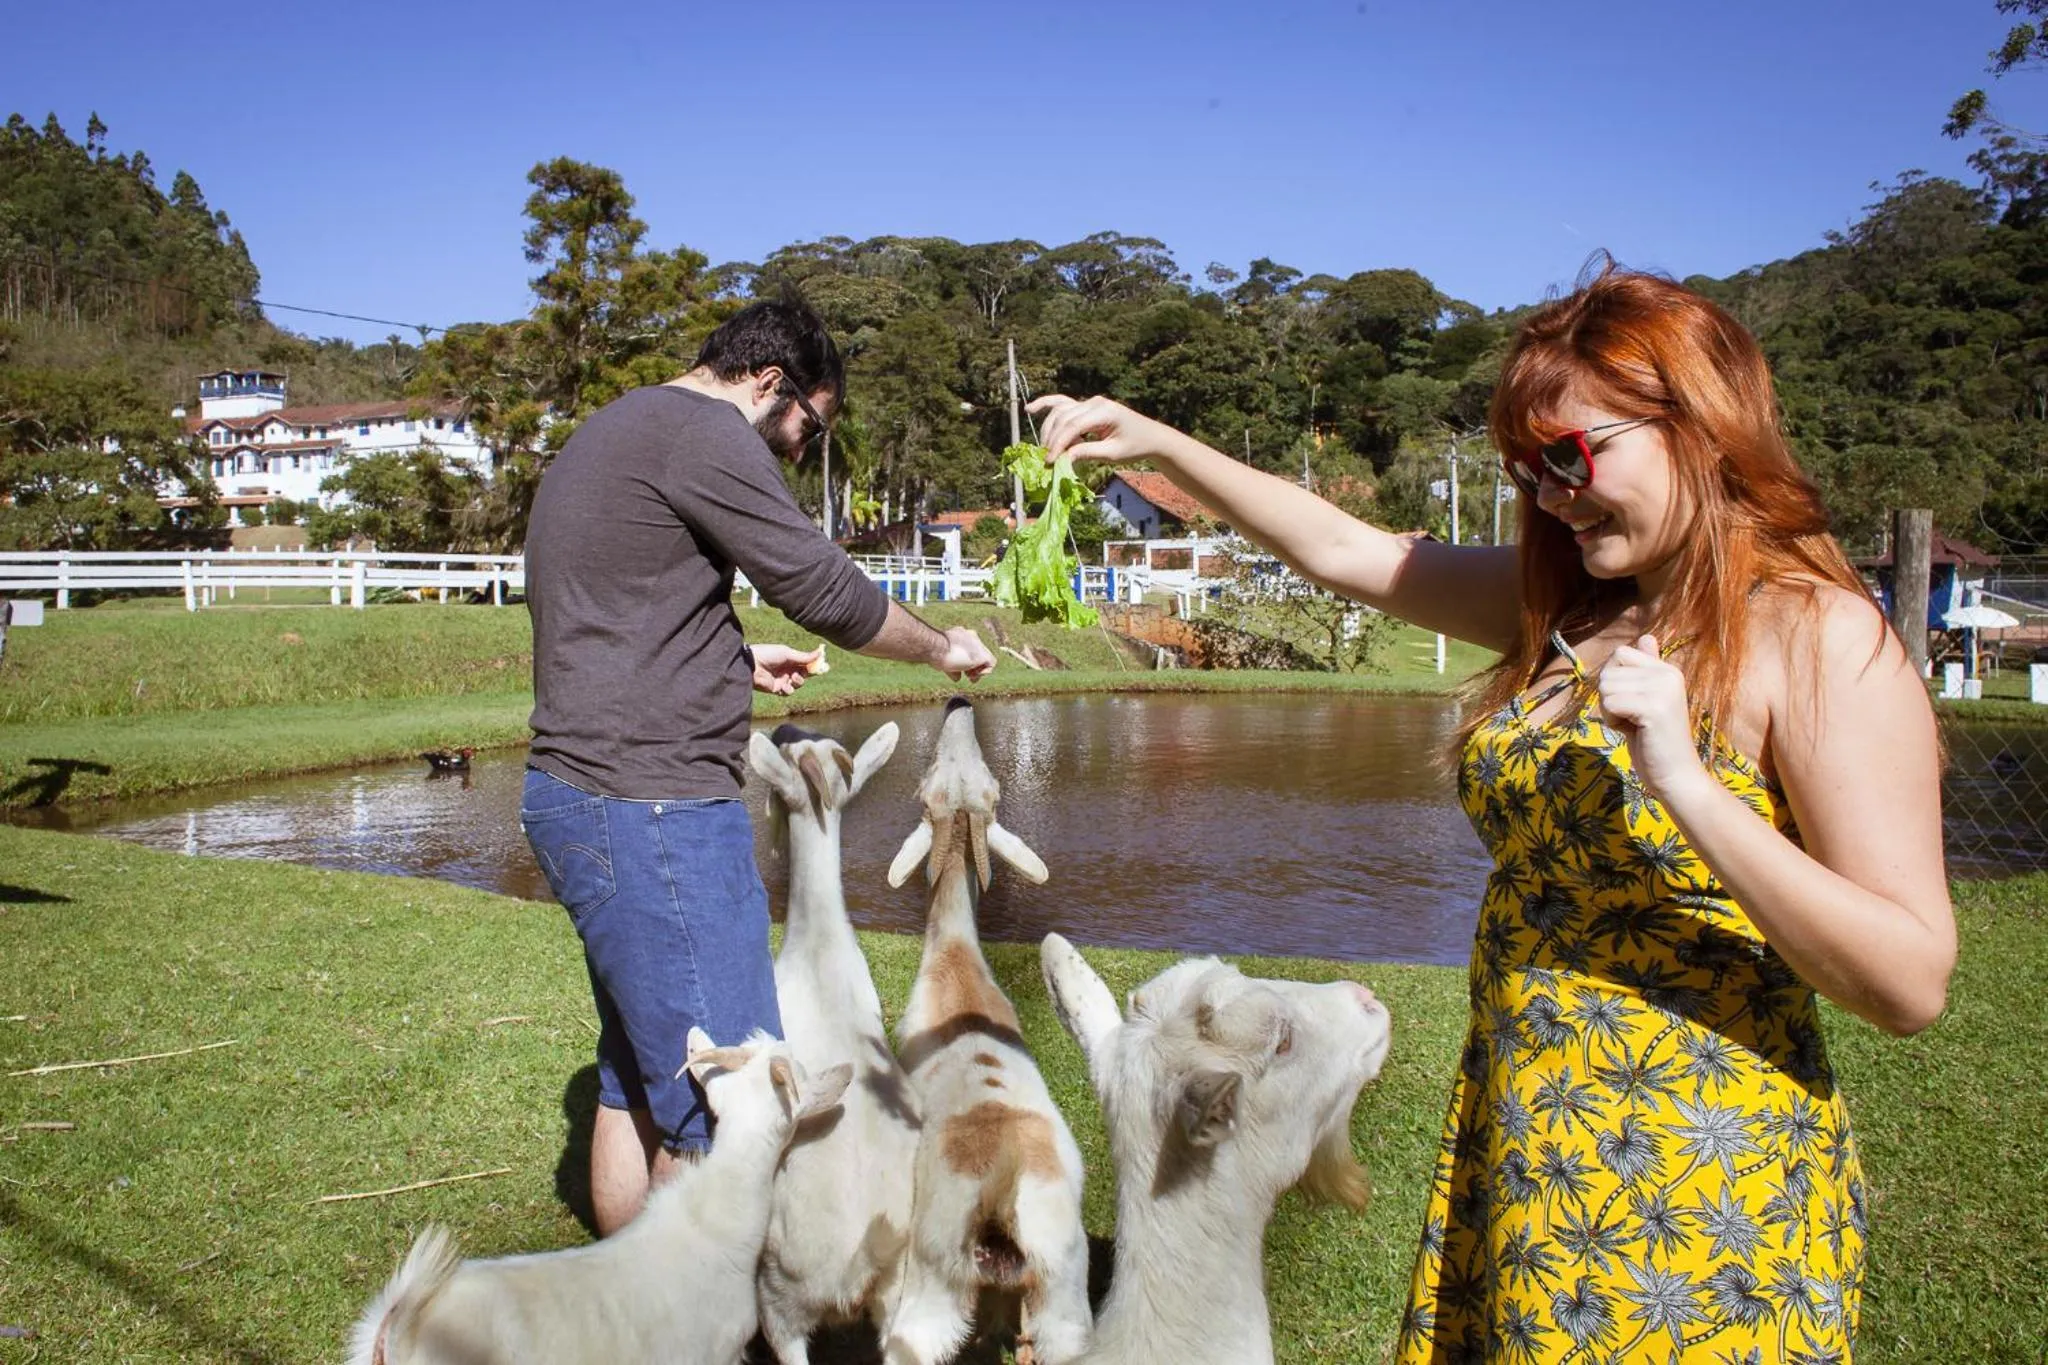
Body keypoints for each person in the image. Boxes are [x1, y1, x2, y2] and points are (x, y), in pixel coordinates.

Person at [1030, 262, 1955, 1362]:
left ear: (1698, 426)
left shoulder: (1815, 635)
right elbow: (1351, 554)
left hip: (1691, 1192)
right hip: (1520, 1150)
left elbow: (1907, 980)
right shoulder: (1572, 603)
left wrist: (1689, 786)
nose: (1552, 497)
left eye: (1569, 457)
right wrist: (1165, 447)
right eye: (1526, 472)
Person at [522, 299, 995, 1235]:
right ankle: (686, 1328)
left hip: (578, 793)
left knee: (639, 1083)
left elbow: (607, 609)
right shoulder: (707, 434)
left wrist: (737, 662)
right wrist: (939, 647)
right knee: (732, 1107)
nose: (797, 453)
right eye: (807, 429)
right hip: (654, 809)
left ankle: (631, 1314)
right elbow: (821, 585)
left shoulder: (614, 429)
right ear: (770, 383)